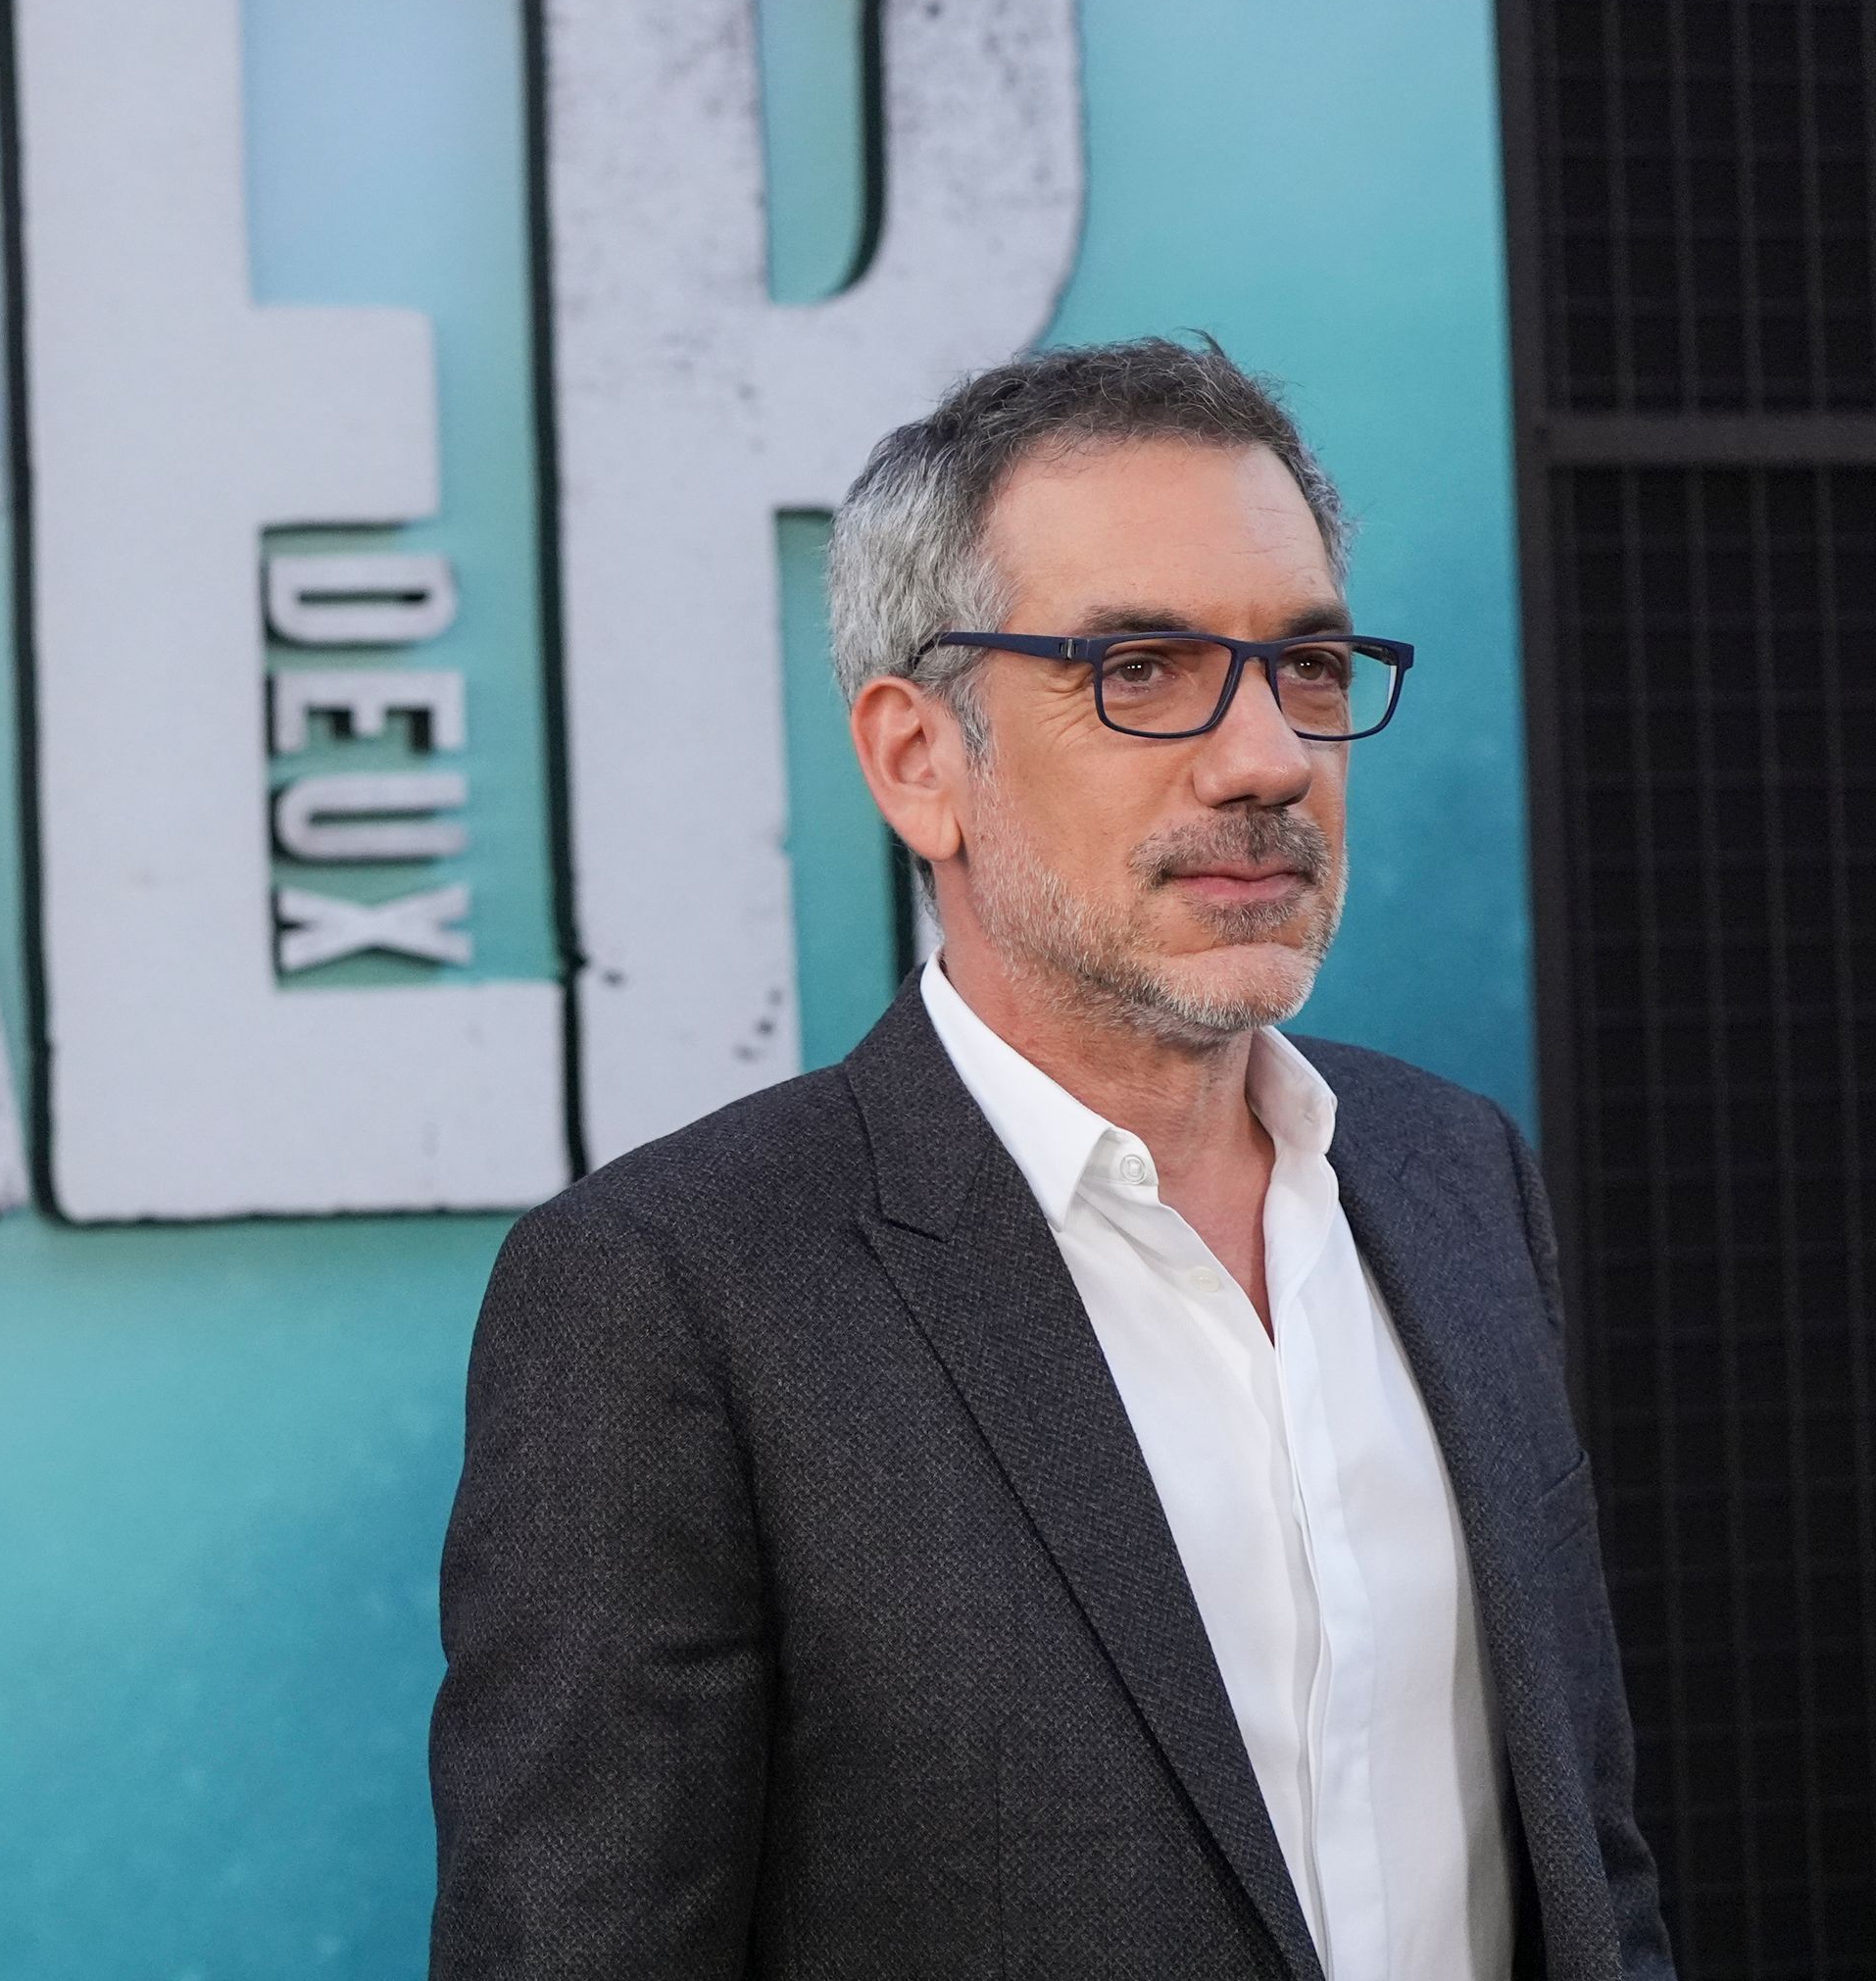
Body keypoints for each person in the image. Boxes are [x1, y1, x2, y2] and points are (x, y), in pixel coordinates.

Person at [429, 339, 1673, 1980]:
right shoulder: (675, 1295)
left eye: (1307, 667)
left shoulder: (1455, 1178)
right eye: (1140, 670)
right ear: (916, 760)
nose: (1267, 761)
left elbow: (1587, 1858)